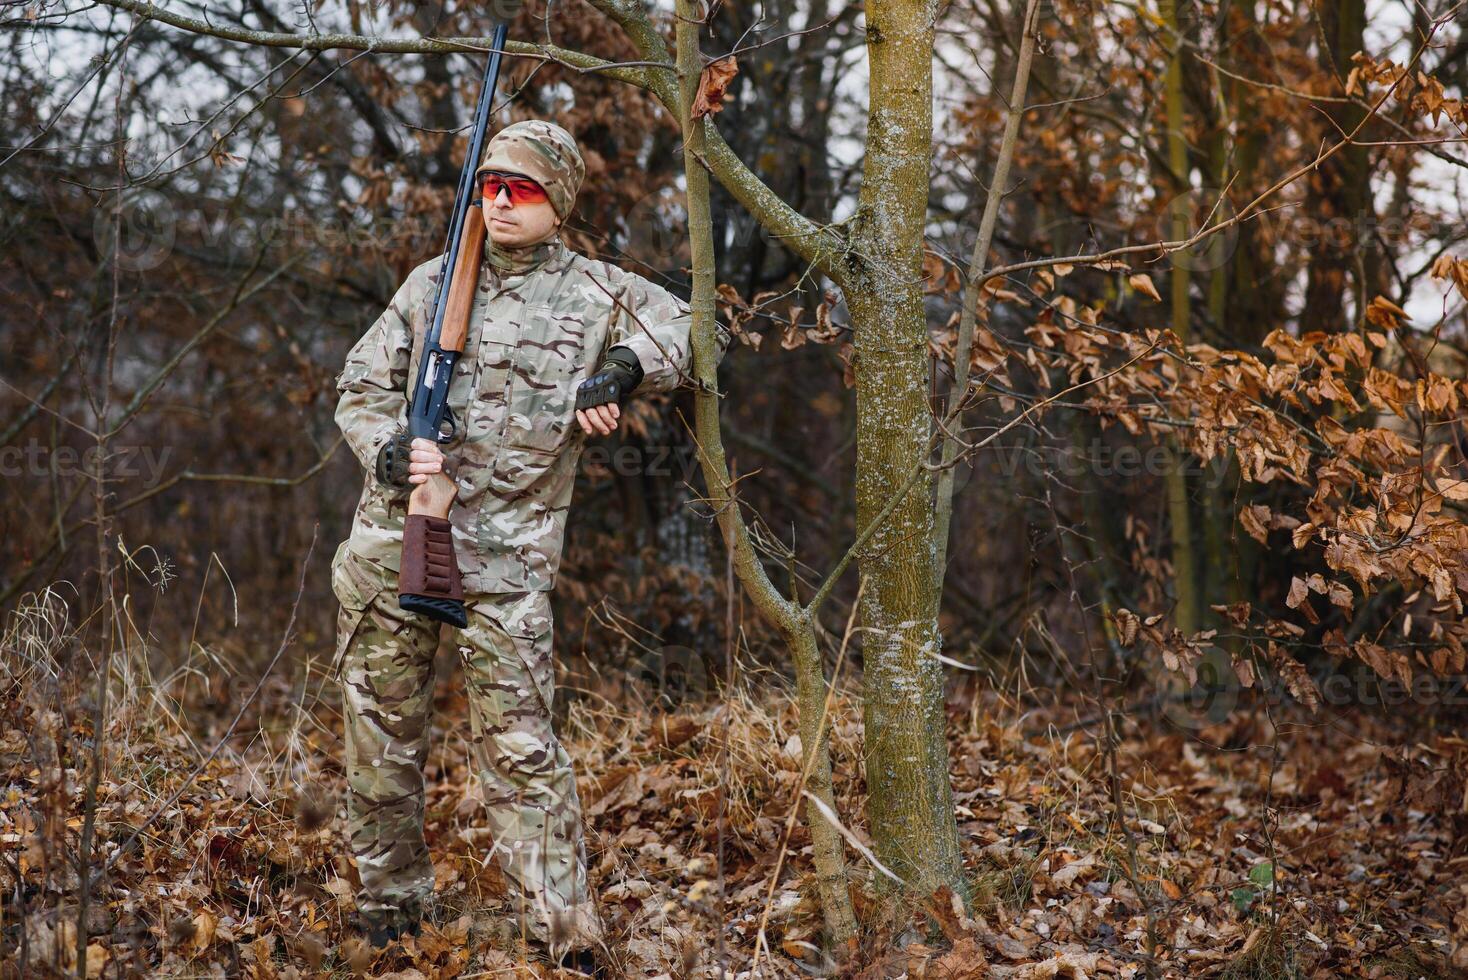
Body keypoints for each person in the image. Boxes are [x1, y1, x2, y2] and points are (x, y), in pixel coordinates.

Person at [330, 119, 730, 970]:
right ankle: (389, 905)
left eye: (524, 188)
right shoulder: (431, 283)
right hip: (389, 545)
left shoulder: (595, 291)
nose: (501, 202)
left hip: (507, 568)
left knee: (521, 752)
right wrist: (390, 449)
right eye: (490, 186)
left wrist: (619, 371)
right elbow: (360, 387)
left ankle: (563, 932)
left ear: (561, 201)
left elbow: (700, 333)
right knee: (380, 734)